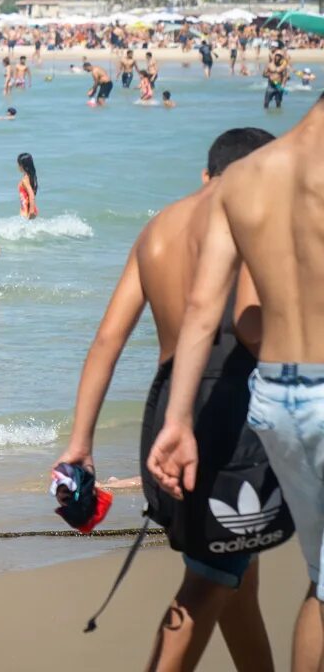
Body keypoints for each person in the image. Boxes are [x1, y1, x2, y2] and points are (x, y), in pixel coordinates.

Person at [60, 128, 279, 671]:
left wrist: (80, 444)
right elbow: (256, 333)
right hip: (226, 419)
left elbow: (107, 341)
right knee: (209, 580)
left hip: (164, 416)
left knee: (233, 575)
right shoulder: (245, 225)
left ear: (206, 174)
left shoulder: (157, 229)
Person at [148, 96, 324, 672]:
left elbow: (205, 306)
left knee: (321, 577)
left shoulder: (246, 176)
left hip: (274, 394)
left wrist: (178, 421)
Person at [16, 153, 38, 220]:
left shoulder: (25, 180)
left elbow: (31, 195)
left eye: (18, 164)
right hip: (30, 208)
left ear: (22, 166)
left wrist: (31, 211)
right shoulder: (31, 177)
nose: (17, 166)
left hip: (26, 210)